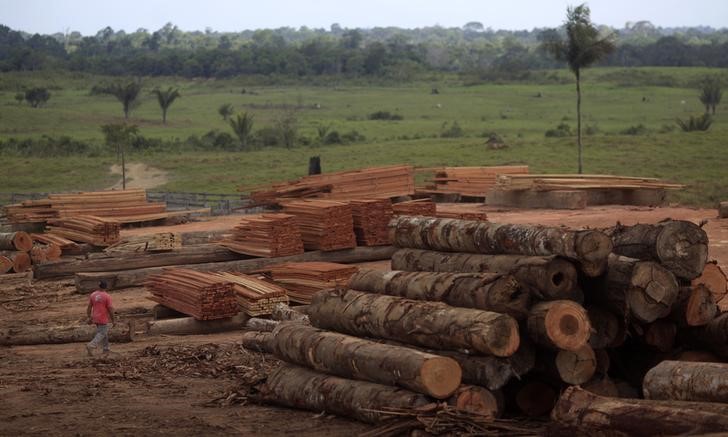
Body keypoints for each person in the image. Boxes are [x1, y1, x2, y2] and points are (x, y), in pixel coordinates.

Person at [86, 280, 115, 356]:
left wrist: (89, 317)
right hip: (103, 317)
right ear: (106, 287)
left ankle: (106, 349)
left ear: (99, 286)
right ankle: (91, 345)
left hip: (95, 317)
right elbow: (110, 309)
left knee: (104, 333)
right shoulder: (107, 296)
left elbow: (89, 307)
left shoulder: (93, 295)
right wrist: (113, 320)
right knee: (102, 333)